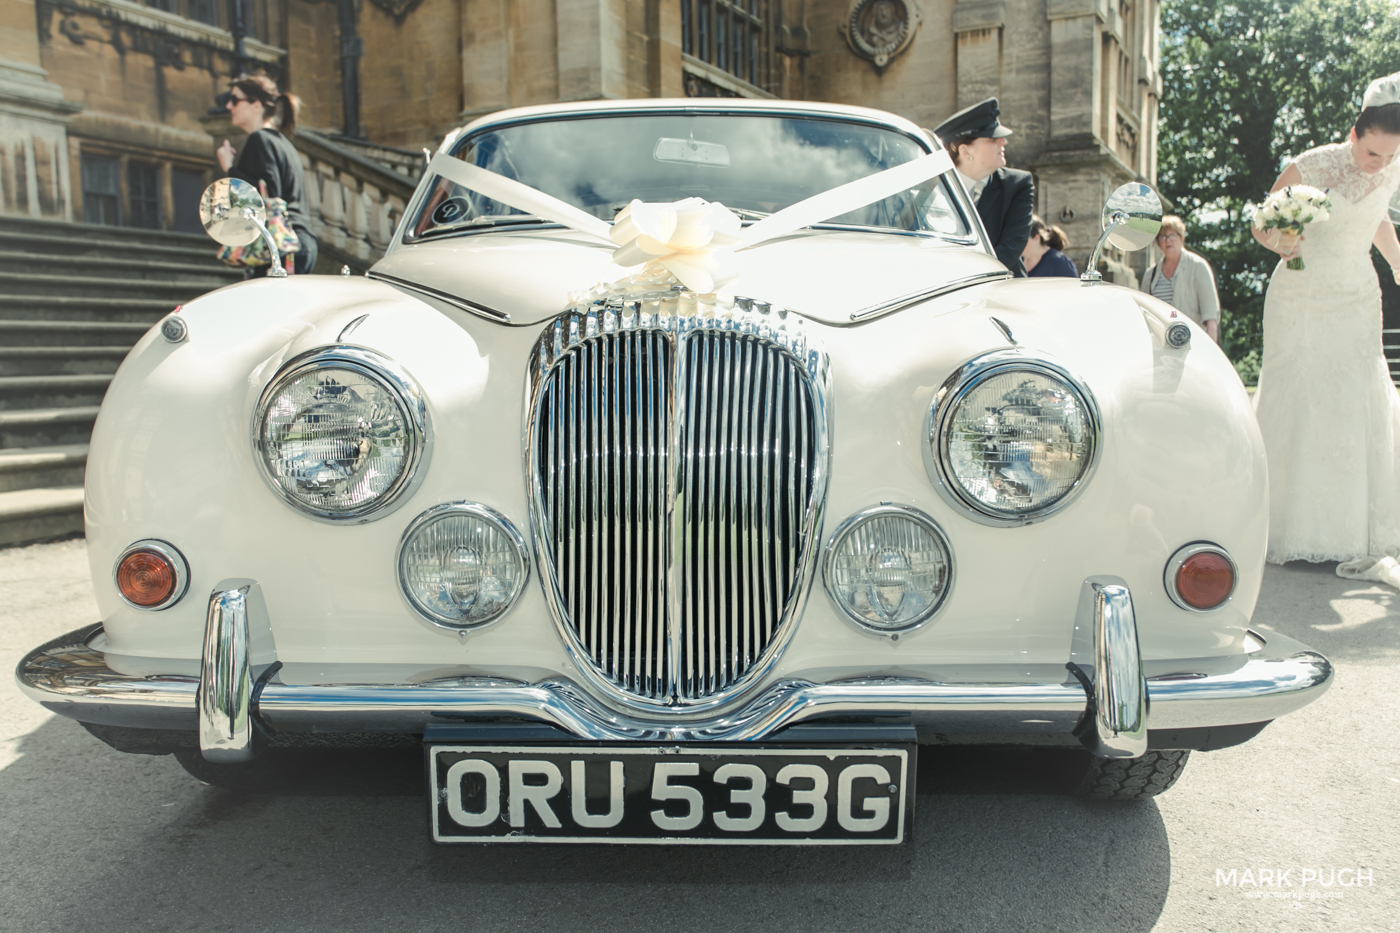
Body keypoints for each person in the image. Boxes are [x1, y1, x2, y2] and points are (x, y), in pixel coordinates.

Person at [1250, 71, 1400, 572]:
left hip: (1357, 295)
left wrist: (1398, 263)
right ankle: (1287, 526)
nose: (1379, 164)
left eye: (1389, 156)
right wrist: (1280, 242)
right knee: (1301, 397)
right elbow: (1261, 220)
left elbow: (1378, 218)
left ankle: (1350, 529)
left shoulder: (1391, 168)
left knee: (1354, 398)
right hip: (1301, 294)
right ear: (1354, 134)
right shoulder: (1311, 163)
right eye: (1372, 153)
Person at [216, 74, 317, 275]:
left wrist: (229, 168)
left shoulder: (258, 139)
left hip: (279, 246)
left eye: (235, 100)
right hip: (298, 242)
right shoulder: (283, 143)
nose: (229, 106)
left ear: (256, 106)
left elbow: (264, 195)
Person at [932, 98, 1034, 276]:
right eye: (992, 138)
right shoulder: (934, 188)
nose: (1003, 142)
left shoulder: (1017, 184)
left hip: (1000, 288)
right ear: (965, 151)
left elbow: (1011, 248)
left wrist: (962, 277)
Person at [1139, 215, 1220, 342]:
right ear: (1158, 242)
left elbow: (1211, 317)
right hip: (1160, 346)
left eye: (1172, 235)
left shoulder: (1198, 266)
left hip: (1192, 344)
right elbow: (1143, 314)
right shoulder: (1150, 274)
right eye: (1163, 236)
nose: (1167, 240)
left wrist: (1210, 351)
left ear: (1181, 238)